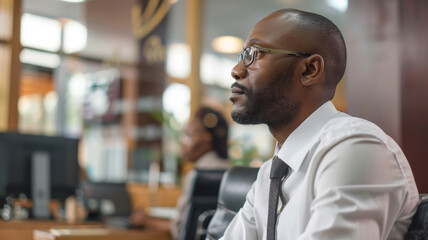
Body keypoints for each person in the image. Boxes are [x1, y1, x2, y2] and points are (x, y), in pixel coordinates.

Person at [222, 8, 419, 240]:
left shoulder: (354, 148)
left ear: (309, 69)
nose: (236, 70)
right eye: (241, 56)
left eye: (254, 54)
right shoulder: (270, 174)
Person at [130, 106, 230, 239]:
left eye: (188, 135)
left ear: (206, 138)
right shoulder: (231, 173)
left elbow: (183, 230)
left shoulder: (197, 176)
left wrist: (146, 220)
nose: (182, 142)